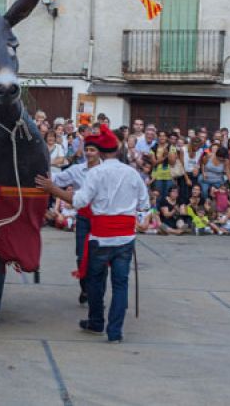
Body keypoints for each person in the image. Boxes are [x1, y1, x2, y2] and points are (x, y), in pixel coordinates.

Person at [38, 125, 149, 344]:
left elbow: (79, 201)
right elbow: (144, 205)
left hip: (101, 236)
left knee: (96, 282)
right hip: (126, 237)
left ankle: (97, 322)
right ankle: (115, 331)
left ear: (100, 150)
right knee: (120, 284)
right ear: (116, 151)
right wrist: (140, 218)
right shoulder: (132, 173)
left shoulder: (96, 173)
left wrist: (53, 189)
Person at [49, 138, 102, 306]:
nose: (89, 153)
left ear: (99, 152)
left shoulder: (106, 170)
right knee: (81, 255)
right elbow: (57, 180)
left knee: (100, 257)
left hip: (102, 219)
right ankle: (85, 288)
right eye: (87, 150)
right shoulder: (78, 169)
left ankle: (97, 296)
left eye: (93, 150)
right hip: (84, 217)